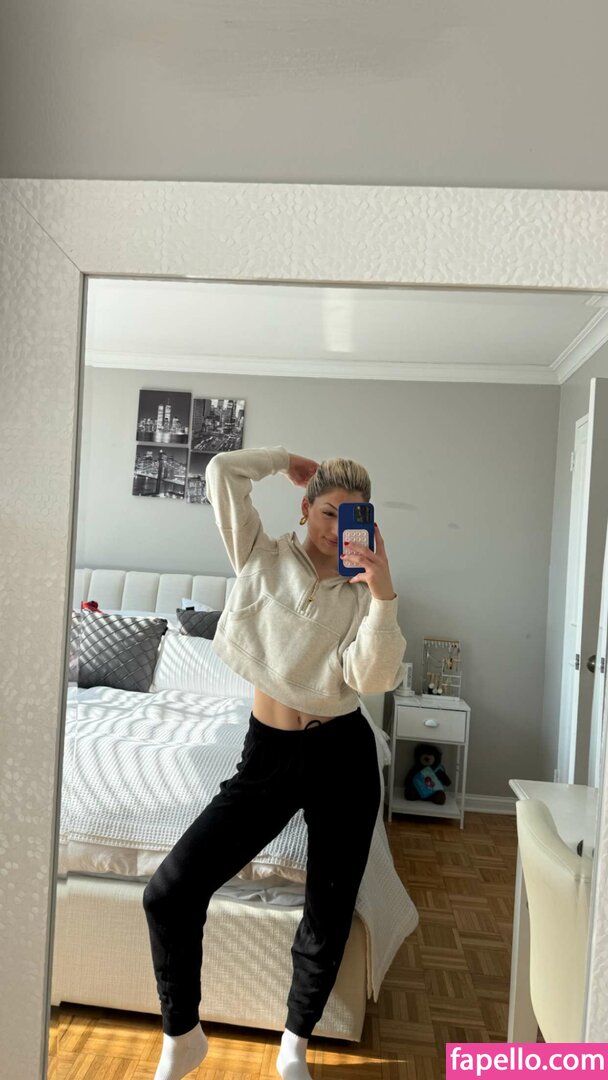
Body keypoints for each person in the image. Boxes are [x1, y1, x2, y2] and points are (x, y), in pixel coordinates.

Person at [143, 446, 407, 1080]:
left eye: (351, 517)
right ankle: (182, 1035)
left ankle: (295, 1043)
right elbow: (220, 473)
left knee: (328, 907)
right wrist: (285, 459)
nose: (335, 528)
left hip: (342, 756)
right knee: (170, 892)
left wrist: (383, 595)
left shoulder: (362, 592)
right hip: (268, 754)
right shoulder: (260, 554)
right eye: (327, 512)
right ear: (305, 508)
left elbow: (371, 679)